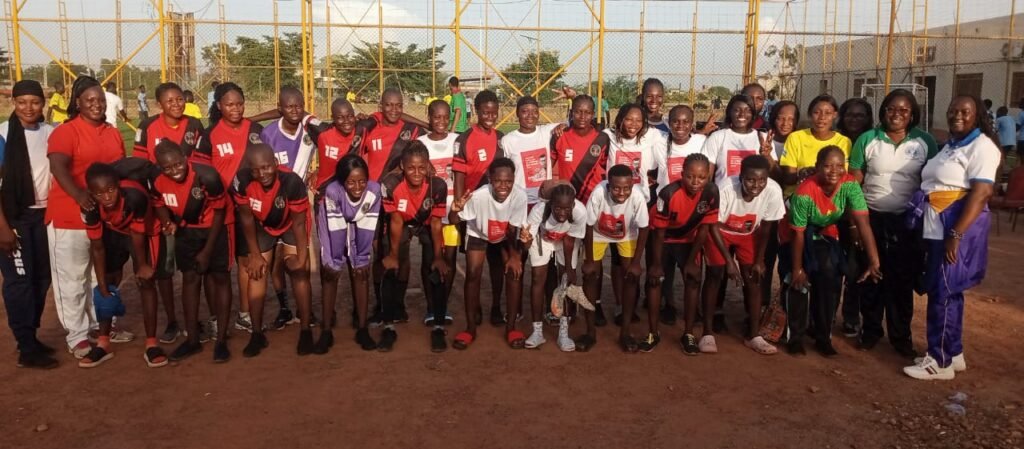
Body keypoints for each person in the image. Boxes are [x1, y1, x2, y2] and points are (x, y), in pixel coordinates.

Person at [903, 95, 999, 380]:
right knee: (948, 289)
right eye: (953, 110)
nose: (957, 115)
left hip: (954, 225)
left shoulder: (982, 146)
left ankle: (939, 361)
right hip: (936, 222)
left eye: (965, 111)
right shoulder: (952, 146)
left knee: (942, 292)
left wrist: (956, 234)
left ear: (977, 115)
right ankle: (953, 352)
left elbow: (981, 193)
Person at [849, 88, 938, 359]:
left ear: (912, 114)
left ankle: (901, 337)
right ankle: (871, 331)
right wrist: (855, 224)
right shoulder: (868, 139)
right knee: (871, 276)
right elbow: (854, 182)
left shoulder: (924, 142)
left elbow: (932, 181)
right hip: (871, 218)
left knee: (902, 280)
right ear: (883, 111)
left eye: (903, 110)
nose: (896, 115)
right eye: (891, 109)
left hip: (907, 222)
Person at [47, 76, 129, 359]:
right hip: (69, 216)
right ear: (78, 103)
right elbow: (57, 166)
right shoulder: (67, 131)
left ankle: (101, 326)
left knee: (100, 275)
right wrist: (79, 195)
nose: (96, 105)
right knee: (72, 278)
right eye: (90, 100)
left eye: (100, 100)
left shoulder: (111, 132)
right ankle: (78, 335)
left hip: (104, 217)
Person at [783, 146, 882, 357]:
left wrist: (874, 261)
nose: (834, 171)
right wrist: (798, 267)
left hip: (824, 233)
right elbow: (798, 235)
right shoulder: (804, 193)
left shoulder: (849, 184)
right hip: (795, 234)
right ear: (817, 167)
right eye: (827, 166)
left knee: (830, 279)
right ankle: (795, 338)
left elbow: (863, 222)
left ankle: (822, 336)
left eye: (839, 165)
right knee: (798, 282)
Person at [79, 162, 171, 368]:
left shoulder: (134, 198)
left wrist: (142, 265)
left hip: (145, 231)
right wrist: (102, 283)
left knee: (146, 281)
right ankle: (103, 344)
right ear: (91, 195)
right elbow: (97, 247)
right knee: (108, 284)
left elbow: (137, 236)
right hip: (114, 230)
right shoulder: (90, 207)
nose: (107, 197)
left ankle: (151, 344)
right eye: (100, 194)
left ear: (119, 186)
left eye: (111, 190)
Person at [133, 81, 205, 343]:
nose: (176, 104)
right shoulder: (148, 127)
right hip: (160, 203)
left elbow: (202, 165)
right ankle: (172, 321)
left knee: (191, 266)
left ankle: (192, 319)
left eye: (179, 99)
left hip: (190, 205)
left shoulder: (195, 126)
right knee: (164, 266)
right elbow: (141, 166)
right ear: (159, 104)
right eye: (170, 101)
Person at [151, 141, 231, 362]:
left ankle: (221, 340)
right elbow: (157, 203)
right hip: (187, 231)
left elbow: (219, 212)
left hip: (217, 228)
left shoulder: (207, 176)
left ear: (185, 158)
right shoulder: (157, 182)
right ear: (160, 167)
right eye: (168, 168)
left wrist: (207, 251)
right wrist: (168, 222)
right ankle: (193, 339)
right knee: (190, 278)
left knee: (220, 278)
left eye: (178, 164)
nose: (175, 171)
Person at [350, 88, 425, 325]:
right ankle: (380, 304)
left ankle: (399, 305)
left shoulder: (412, 131)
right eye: (389, 105)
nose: (394, 110)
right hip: (372, 202)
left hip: (399, 203)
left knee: (401, 253)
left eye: (399, 105)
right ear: (380, 105)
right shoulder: (369, 128)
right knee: (378, 253)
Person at [232, 144, 315, 357]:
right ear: (249, 170)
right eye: (256, 170)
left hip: (290, 225)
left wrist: (302, 259)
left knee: (299, 273)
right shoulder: (241, 181)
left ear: (276, 164)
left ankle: (305, 330)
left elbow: (298, 225)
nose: (262, 174)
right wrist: (255, 254)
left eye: (267, 167)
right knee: (256, 273)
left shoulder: (292, 182)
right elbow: (246, 219)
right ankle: (257, 334)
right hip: (262, 226)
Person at [196, 82, 264, 334]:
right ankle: (216, 317)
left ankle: (245, 313)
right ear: (219, 106)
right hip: (220, 211)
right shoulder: (209, 134)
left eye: (239, 103)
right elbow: (201, 173)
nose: (235, 108)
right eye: (229, 104)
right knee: (218, 266)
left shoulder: (255, 130)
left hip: (248, 207)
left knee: (247, 260)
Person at [703, 155, 785, 355]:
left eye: (761, 180)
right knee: (715, 275)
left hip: (749, 233)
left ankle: (754, 335)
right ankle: (707, 332)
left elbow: (766, 226)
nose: (756, 185)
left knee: (754, 278)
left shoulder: (773, 190)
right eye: (750, 180)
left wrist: (759, 260)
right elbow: (712, 224)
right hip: (720, 232)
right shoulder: (724, 188)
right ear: (740, 177)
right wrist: (730, 262)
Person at [0, 80, 56, 369]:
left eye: (34, 101)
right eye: (22, 102)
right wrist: (3, 228)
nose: (28, 107)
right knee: (19, 281)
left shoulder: (50, 133)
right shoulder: (4, 134)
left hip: (44, 215)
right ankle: (25, 345)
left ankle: (31, 335)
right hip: (14, 217)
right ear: (13, 103)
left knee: (42, 278)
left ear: (43, 104)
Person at [260, 86, 322, 330]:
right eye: (289, 106)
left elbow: (331, 145)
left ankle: (303, 309)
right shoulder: (269, 134)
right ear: (280, 109)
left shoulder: (310, 129)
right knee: (276, 260)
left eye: (299, 106)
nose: (295, 111)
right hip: (273, 204)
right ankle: (284, 307)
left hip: (298, 205)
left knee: (300, 258)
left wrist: (318, 170)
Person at [449, 157, 527, 350]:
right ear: (490, 179)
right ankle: (470, 329)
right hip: (479, 233)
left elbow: (513, 229)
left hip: (504, 235)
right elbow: (453, 220)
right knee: (473, 274)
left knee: (514, 273)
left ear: (513, 180)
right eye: (498, 181)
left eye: (508, 181)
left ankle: (511, 328)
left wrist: (514, 256)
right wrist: (454, 211)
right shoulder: (478, 196)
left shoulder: (520, 196)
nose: (503, 186)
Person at [381, 142, 450, 352]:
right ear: (402, 166)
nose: (417, 172)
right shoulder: (390, 184)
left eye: (422, 167)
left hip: (426, 223)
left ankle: (438, 325)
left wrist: (439, 256)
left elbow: (437, 223)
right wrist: (393, 255)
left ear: (428, 165)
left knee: (436, 265)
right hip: (402, 222)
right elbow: (395, 221)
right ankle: (389, 325)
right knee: (392, 265)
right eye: (411, 168)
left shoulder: (438, 186)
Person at [648, 154, 719, 355]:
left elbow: (704, 228)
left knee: (693, 278)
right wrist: (655, 263)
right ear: (682, 174)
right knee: (655, 280)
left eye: (701, 177)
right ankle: (653, 332)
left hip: (689, 241)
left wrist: (691, 262)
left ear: (708, 176)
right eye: (690, 176)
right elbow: (659, 231)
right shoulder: (668, 194)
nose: (695, 182)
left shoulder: (712, 192)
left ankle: (688, 333)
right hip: (664, 240)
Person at [604, 103, 665, 326]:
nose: (633, 124)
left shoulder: (653, 137)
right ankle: (622, 305)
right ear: (620, 119)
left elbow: (675, 145)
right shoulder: (608, 136)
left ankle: (641, 299)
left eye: (638, 120)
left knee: (638, 256)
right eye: (629, 119)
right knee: (619, 259)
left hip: (642, 204)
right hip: (616, 206)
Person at [551, 95, 610, 324]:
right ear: (571, 112)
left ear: (594, 113)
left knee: (592, 262)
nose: (582, 117)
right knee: (566, 260)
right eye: (578, 111)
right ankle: (568, 305)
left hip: (592, 209)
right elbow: (552, 168)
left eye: (587, 112)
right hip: (567, 209)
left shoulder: (603, 139)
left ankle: (595, 304)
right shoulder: (560, 137)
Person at [453, 89, 508, 326]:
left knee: (497, 263)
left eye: (494, 113)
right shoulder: (463, 139)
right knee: (474, 267)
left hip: (497, 212)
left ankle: (496, 305)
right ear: (476, 111)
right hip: (473, 212)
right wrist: (460, 208)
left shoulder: (501, 138)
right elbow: (458, 177)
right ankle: (473, 308)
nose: (490, 117)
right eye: (485, 112)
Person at [316, 154, 382, 353]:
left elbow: (369, 223)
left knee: (361, 273)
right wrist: (333, 262)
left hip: (360, 222)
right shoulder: (332, 192)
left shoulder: (374, 191)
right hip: (331, 223)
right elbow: (335, 231)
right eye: (351, 182)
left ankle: (362, 328)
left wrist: (361, 258)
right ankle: (326, 331)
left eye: (362, 181)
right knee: (330, 274)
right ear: (342, 181)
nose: (357, 187)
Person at [580, 164, 649, 352]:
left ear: (632, 186)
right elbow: (587, 225)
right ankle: (590, 332)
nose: (621, 192)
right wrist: (588, 261)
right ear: (608, 185)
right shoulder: (598, 193)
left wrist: (636, 263)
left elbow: (644, 228)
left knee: (631, 276)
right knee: (590, 276)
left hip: (626, 234)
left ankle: (625, 332)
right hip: (597, 233)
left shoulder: (637, 196)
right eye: (616, 188)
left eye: (626, 188)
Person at [655, 105, 707, 326]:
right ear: (669, 121)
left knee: (691, 266)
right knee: (664, 265)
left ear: (692, 123)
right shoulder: (659, 142)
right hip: (667, 215)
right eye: (676, 121)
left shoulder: (701, 143)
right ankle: (668, 304)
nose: (680, 126)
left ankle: (693, 308)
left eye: (686, 122)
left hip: (692, 215)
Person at [518, 184, 585, 351]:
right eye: (558, 208)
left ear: (573, 205)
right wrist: (525, 240)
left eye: (566, 208)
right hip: (543, 241)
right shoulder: (539, 211)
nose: (562, 213)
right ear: (551, 204)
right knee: (537, 280)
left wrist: (569, 269)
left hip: (566, 243)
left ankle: (564, 333)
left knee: (565, 283)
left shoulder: (580, 212)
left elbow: (570, 240)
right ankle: (537, 331)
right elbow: (527, 244)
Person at [835, 97, 875, 337]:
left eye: (860, 115)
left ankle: (851, 316)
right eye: (850, 114)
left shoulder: (871, 141)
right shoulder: (837, 140)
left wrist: (854, 222)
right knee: (830, 266)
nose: (854, 119)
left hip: (860, 213)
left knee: (854, 266)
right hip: (834, 210)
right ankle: (824, 314)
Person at [417, 99, 459, 326]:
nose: (441, 121)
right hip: (428, 213)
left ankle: (443, 304)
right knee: (429, 258)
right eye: (436, 117)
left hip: (452, 213)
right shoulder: (420, 143)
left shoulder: (457, 141)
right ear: (429, 116)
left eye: (445, 117)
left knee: (449, 259)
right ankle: (431, 307)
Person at [780, 95, 852, 197]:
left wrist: (817, 174)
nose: (822, 118)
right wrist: (802, 173)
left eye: (828, 113)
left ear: (835, 115)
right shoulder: (796, 138)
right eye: (816, 112)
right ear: (810, 114)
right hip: (799, 196)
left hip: (830, 197)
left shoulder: (844, 142)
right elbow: (788, 178)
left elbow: (842, 176)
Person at [701, 94, 775, 184]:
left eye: (747, 110)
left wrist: (767, 156)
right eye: (737, 110)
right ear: (729, 113)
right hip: (724, 195)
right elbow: (706, 176)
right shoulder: (717, 137)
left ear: (752, 114)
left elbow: (776, 176)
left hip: (755, 196)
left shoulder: (764, 139)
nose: (742, 114)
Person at [995, 106, 1017, 175]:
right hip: (1012, 141)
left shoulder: (1000, 119)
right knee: (1005, 155)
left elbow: (995, 130)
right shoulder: (1011, 118)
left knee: (1001, 156)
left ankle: (1001, 171)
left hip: (1004, 141)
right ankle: (1004, 169)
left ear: (1000, 112)